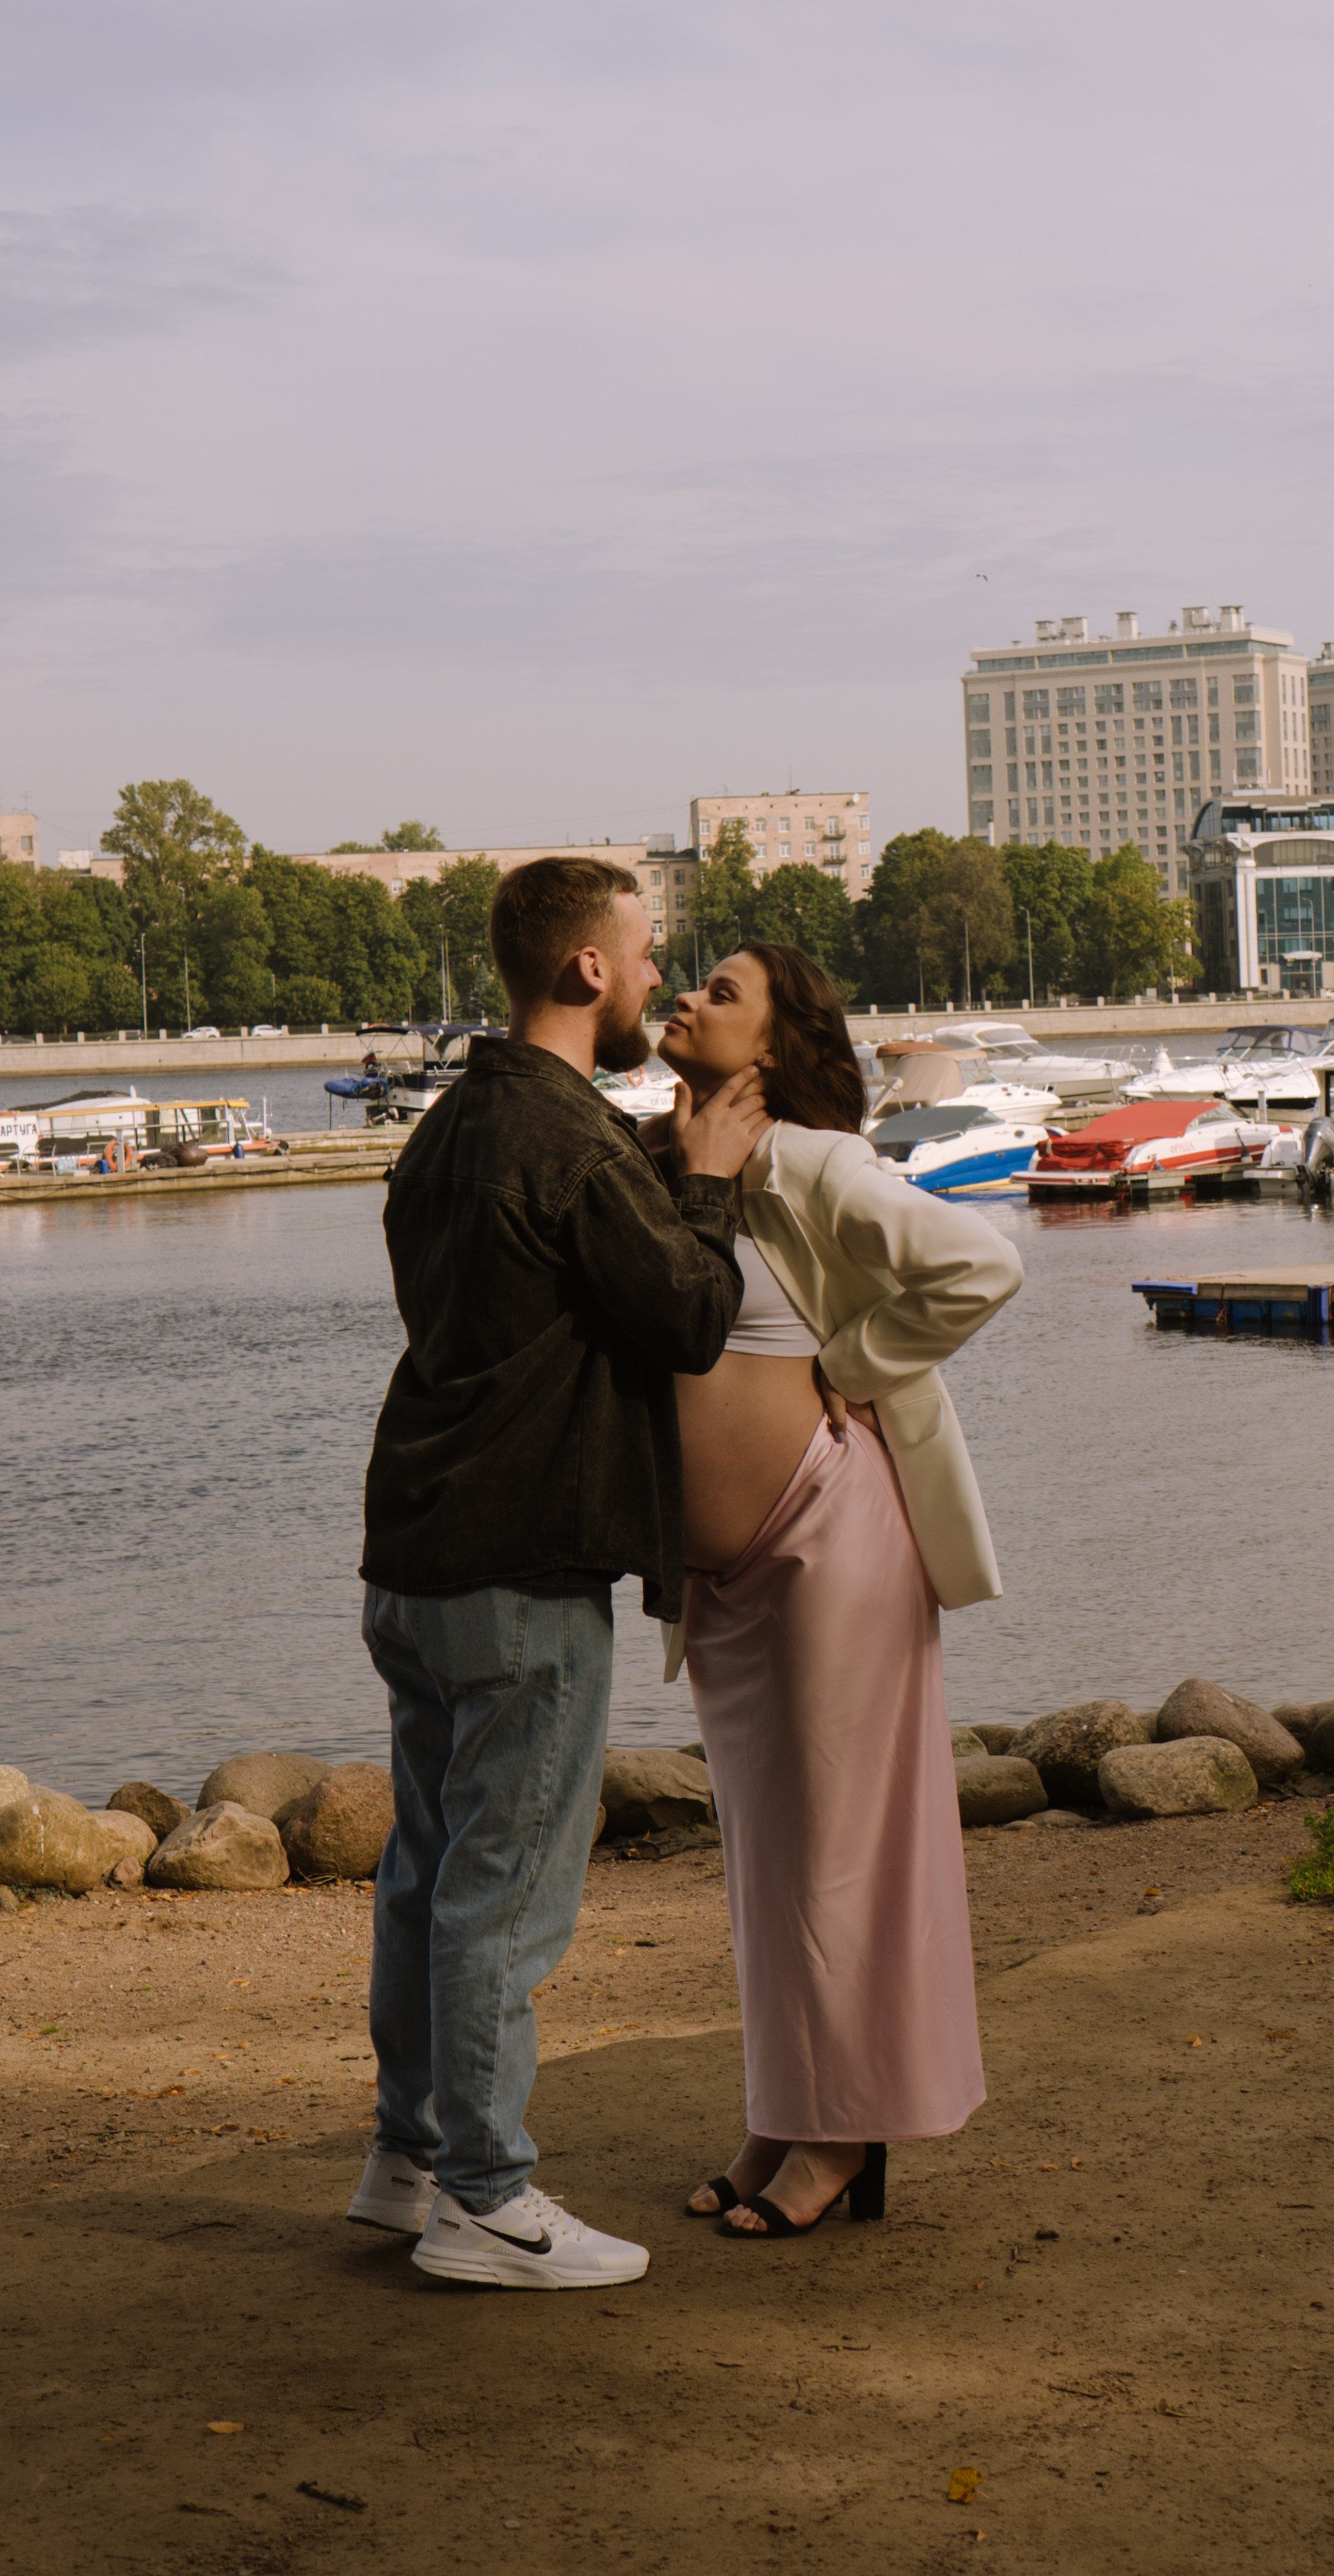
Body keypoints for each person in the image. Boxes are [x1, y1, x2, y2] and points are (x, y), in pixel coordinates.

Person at [350, 856, 768, 2290]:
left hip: (414, 1551)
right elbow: (692, 1317)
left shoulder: (452, 1126)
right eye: (648, 953)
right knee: (504, 1894)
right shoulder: (574, 1143)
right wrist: (706, 1181)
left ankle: (408, 2161)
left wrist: (650, 1173)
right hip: (523, 1564)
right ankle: (484, 2198)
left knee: (426, 1872)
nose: (659, 975)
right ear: (588, 969)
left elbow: (502, 1303)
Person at [656, 943, 1023, 2240]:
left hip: (832, 1538)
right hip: (736, 1581)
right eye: (690, 982)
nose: (687, 999)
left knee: (842, 1854)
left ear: (772, 1048)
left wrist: (853, 1364)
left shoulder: (813, 1161)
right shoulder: (685, 1167)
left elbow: (981, 1264)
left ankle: (848, 2135)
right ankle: (786, 2111)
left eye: (721, 993)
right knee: (769, 1855)